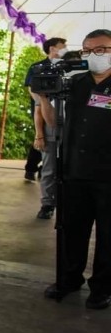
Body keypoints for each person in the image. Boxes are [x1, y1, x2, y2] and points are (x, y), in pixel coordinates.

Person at [36, 29, 111, 310]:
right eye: (89, 50)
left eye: (102, 50)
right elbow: (55, 122)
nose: (95, 55)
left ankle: (102, 287)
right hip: (74, 171)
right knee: (72, 230)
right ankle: (69, 279)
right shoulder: (75, 83)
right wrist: (44, 97)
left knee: (107, 236)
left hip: (107, 175)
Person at [26, 37, 67, 218]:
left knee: (69, 168)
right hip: (46, 117)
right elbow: (35, 98)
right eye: (62, 47)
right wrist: (39, 134)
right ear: (52, 49)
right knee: (49, 167)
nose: (64, 49)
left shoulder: (70, 68)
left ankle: (67, 202)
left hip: (71, 126)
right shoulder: (38, 68)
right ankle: (47, 204)